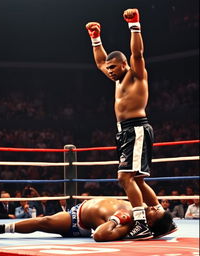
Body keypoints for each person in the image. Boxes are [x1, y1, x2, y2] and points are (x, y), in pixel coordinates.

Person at [85, 9, 169, 240]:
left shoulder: (137, 75)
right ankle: (162, 218)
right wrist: (95, 38)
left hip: (137, 128)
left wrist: (134, 25)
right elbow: (101, 61)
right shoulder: (116, 78)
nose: (109, 71)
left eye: (113, 67)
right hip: (125, 132)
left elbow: (138, 53)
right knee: (138, 180)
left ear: (124, 64)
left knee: (125, 178)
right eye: (108, 68)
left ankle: (140, 223)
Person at [0, 198, 177, 242]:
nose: (153, 207)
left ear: (150, 223)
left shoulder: (127, 226)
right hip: (81, 207)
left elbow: (100, 236)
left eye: (155, 212)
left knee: (44, 222)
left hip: (78, 222)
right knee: (44, 221)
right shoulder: (139, 207)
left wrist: (116, 220)